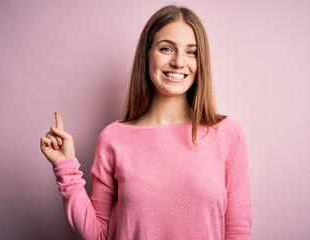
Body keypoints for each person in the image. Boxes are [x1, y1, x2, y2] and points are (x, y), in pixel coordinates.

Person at [40, 5, 251, 240]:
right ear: (147, 54)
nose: (179, 62)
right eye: (167, 48)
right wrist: (65, 166)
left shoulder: (227, 134)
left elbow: (237, 232)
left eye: (192, 52)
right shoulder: (114, 138)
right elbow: (99, 235)